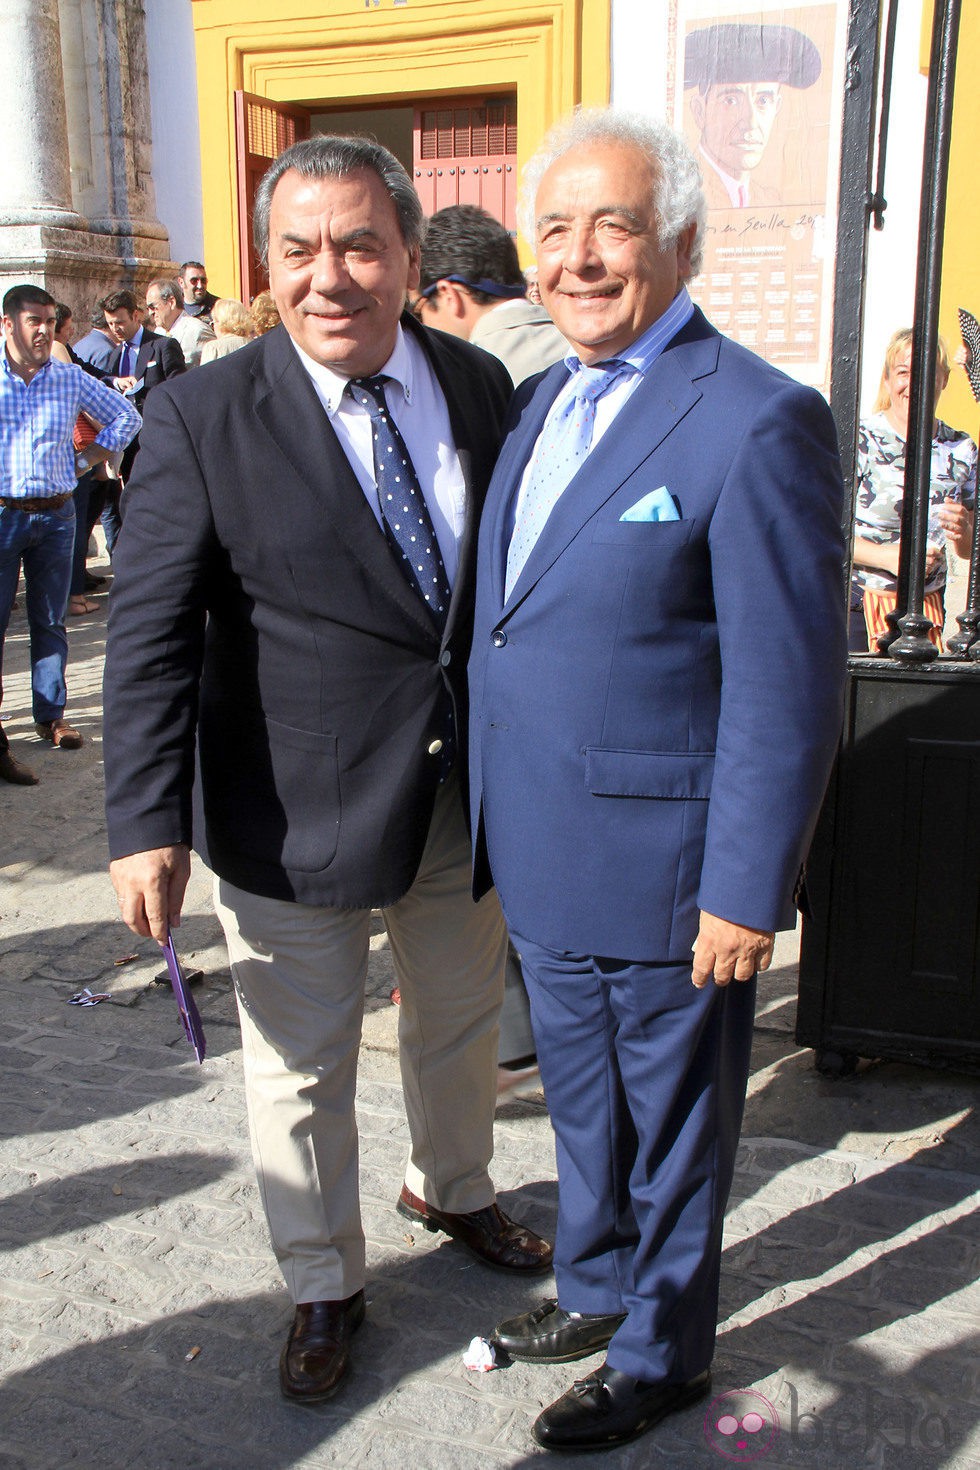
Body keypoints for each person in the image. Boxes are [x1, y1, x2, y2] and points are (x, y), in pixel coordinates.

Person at [103, 133, 552, 1405]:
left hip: (465, 794)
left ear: (412, 254)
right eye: (298, 250)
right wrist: (144, 822)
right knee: (297, 1066)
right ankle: (319, 1280)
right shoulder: (197, 414)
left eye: (361, 245)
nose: (329, 277)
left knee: (460, 1024)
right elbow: (143, 637)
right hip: (285, 803)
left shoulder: (476, 384)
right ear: (266, 263)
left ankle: (451, 1187)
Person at [468, 109, 847, 1454]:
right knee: (585, 1106)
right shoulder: (538, 399)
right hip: (546, 848)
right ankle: (601, 1287)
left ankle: (664, 1350)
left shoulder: (756, 419)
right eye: (554, 227)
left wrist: (746, 887)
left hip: (672, 870)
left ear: (679, 240)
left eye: (611, 226)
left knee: (673, 1127)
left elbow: (790, 685)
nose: (577, 256)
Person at [0, 285, 139, 785]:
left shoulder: (67, 377)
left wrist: (86, 461)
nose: (42, 330)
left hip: (57, 516)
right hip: (3, 516)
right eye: (32, 320)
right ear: (6, 325)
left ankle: (51, 715)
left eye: (48, 320)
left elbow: (127, 414)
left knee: (51, 619)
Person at [851, 330, 976, 652]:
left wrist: (964, 531)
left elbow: (969, 550)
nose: (914, 382)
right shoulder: (860, 439)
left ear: (943, 379)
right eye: (904, 372)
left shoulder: (961, 448)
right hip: (857, 603)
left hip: (927, 607)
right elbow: (819, 530)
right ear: (889, 379)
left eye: (927, 372)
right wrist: (889, 557)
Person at [416, 204, 567, 386]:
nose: (421, 323)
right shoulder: (584, 348)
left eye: (417, 309)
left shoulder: (465, 379)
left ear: (449, 295)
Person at [684, 22, 820, 209]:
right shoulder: (682, 196)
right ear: (700, 111)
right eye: (730, 101)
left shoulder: (770, 203)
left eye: (763, 101)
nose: (750, 123)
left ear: (777, 107)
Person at [144, 279, 215, 368]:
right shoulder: (158, 332)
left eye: (153, 307)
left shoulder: (197, 330)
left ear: (171, 302)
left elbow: (214, 368)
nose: (150, 313)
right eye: (148, 308)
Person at [199, 298, 253, 363]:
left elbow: (206, 373)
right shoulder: (254, 344)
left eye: (213, 322)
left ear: (221, 322)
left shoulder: (213, 348)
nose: (213, 327)